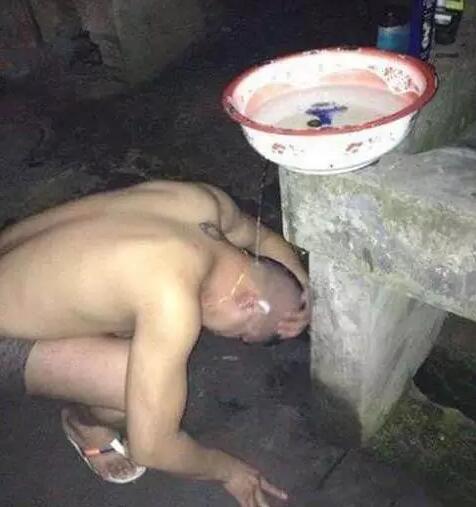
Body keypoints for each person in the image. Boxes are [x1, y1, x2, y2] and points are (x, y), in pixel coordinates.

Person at [0, 180, 310, 507]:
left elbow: (262, 238)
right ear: (247, 302)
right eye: (241, 334)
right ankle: (84, 425)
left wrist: (303, 287)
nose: (227, 337)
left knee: (131, 315)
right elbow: (153, 448)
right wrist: (228, 471)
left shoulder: (202, 203)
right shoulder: (172, 299)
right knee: (128, 386)